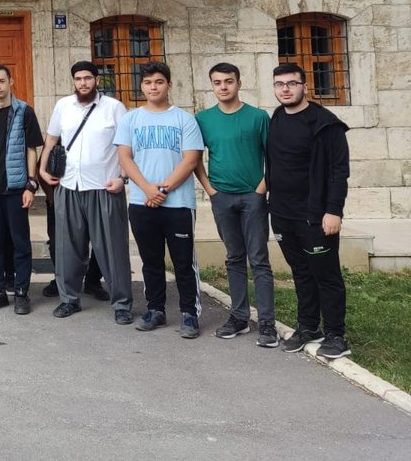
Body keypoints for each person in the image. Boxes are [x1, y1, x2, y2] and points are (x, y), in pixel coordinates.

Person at [267, 62, 351, 359]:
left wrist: (333, 211)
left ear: (305, 86)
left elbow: (339, 172)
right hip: (282, 213)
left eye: (291, 83)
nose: (285, 89)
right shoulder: (277, 117)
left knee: (325, 274)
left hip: (315, 215)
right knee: (301, 272)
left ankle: (336, 335)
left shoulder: (326, 124)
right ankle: (308, 327)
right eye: (279, 84)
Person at [115, 61, 205, 338]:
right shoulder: (131, 119)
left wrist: (162, 190)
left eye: (158, 82)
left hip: (177, 204)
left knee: (182, 262)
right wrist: (147, 189)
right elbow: (124, 157)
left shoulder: (184, 119)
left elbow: (191, 159)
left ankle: (189, 313)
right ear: (141, 86)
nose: (153, 87)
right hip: (142, 204)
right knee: (150, 260)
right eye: (147, 83)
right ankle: (155, 310)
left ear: (168, 84)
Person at [40, 62, 132, 324]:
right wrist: (44, 168)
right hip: (69, 186)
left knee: (112, 249)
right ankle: (69, 299)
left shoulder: (114, 108)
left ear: (97, 80)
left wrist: (122, 178)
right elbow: (51, 140)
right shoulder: (63, 106)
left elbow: (127, 147)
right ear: (74, 81)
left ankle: (122, 304)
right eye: (78, 79)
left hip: (104, 187)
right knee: (67, 248)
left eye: (88, 78)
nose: (83, 83)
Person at [194, 62, 277, 347]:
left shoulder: (257, 117)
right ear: (212, 86)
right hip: (222, 197)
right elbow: (193, 157)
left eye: (228, 81)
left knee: (259, 259)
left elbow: (273, 156)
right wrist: (210, 190)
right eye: (217, 82)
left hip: (252, 196)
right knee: (234, 257)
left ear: (239, 83)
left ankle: (267, 323)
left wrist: (260, 190)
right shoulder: (203, 119)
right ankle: (239, 316)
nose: (223, 87)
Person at [0, 64, 43, 315]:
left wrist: (31, 184)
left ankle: (22, 292)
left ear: (10, 81)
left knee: (20, 243)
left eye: (1, 81)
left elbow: (32, 148)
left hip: (15, 189)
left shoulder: (24, 111)